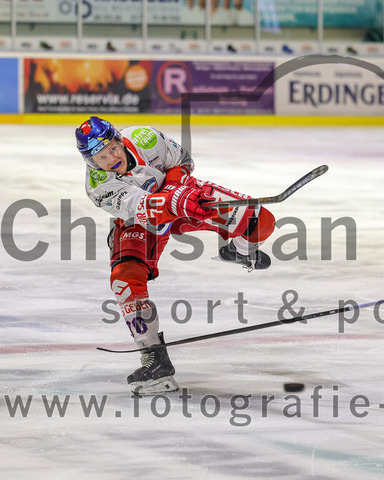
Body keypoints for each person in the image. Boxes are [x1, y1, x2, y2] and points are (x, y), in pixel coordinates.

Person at [76, 117, 275, 396]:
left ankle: (240, 252)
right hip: (142, 222)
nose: (111, 159)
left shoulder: (144, 137)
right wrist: (174, 200)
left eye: (112, 149)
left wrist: (175, 191)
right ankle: (155, 358)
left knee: (261, 221)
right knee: (124, 279)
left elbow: (182, 161)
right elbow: (143, 207)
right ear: (92, 162)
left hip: (185, 196)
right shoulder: (99, 186)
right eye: (101, 157)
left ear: (119, 140)